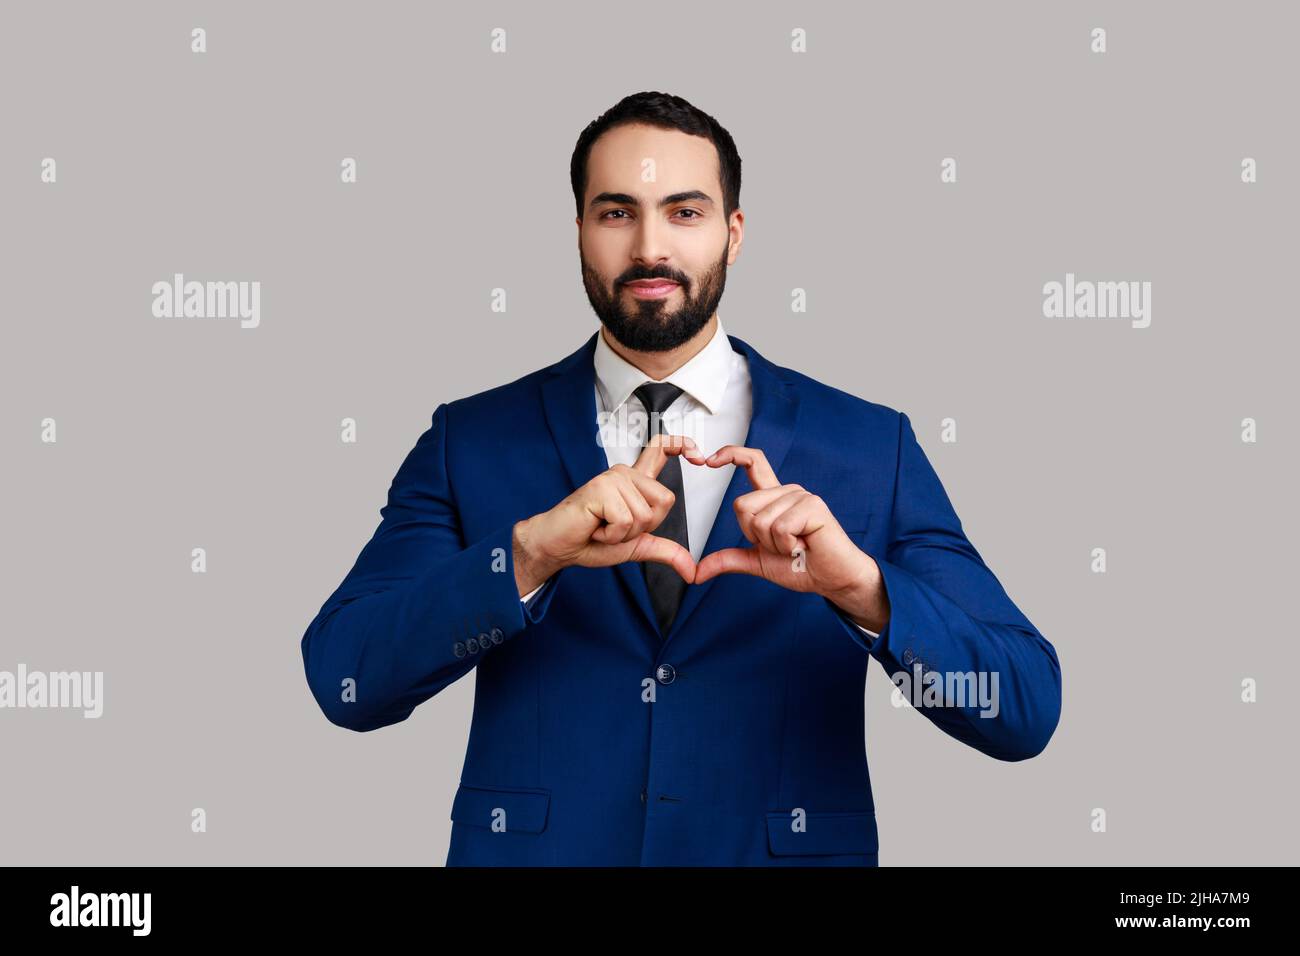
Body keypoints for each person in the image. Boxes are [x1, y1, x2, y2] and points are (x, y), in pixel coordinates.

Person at [300, 91, 1062, 866]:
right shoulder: (471, 440)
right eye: (617, 212)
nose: (650, 248)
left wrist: (865, 592)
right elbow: (346, 681)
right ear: (578, 233)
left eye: (685, 212)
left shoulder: (870, 447)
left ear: (734, 234)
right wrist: (525, 558)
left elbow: (1021, 710)